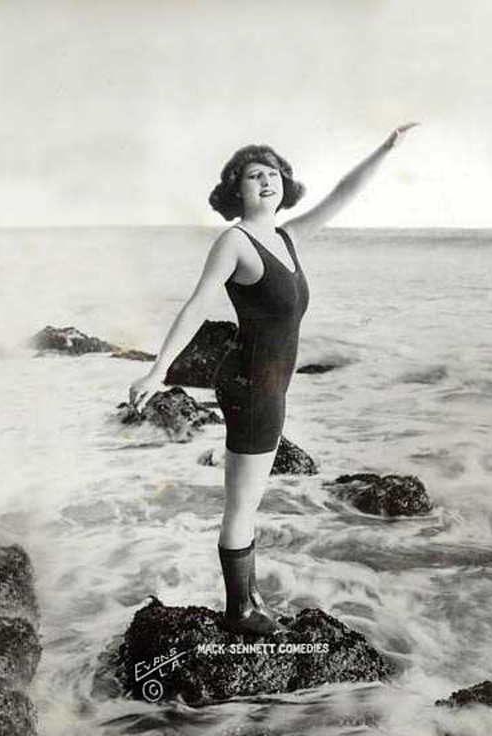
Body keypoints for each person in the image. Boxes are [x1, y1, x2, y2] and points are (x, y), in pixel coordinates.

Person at [129, 122, 420, 635]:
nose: (266, 181)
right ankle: (240, 611)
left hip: (266, 383)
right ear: (235, 190)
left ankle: (247, 597)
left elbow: (343, 193)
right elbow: (197, 305)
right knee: (243, 502)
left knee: (249, 497)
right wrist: (158, 370)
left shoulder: (286, 238)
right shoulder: (235, 242)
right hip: (251, 384)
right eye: (253, 176)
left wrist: (385, 148)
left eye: (272, 173)